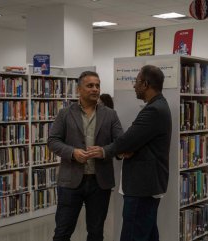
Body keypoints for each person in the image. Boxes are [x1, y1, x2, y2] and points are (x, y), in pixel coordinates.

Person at [88, 65, 172, 241]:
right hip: (149, 185)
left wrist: (104, 151)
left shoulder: (153, 110)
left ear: (146, 84)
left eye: (136, 82)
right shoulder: (159, 105)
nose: (134, 86)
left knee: (133, 234)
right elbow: (131, 141)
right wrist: (125, 147)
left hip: (142, 186)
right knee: (147, 234)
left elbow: (127, 140)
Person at [48, 71, 123, 241]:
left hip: (100, 182)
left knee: (96, 233)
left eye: (97, 85)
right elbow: (53, 141)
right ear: (79, 89)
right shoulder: (65, 114)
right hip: (70, 182)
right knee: (62, 231)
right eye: (90, 85)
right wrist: (72, 153)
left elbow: (120, 143)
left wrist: (104, 151)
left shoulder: (110, 114)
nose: (95, 89)